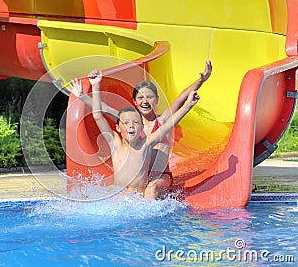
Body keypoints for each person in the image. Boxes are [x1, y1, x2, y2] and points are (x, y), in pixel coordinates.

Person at [70, 61, 212, 198]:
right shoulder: (132, 124)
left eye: (149, 97)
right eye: (140, 98)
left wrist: (201, 80)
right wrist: (82, 96)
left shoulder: (162, 121)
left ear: (156, 99)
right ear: (134, 101)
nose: (145, 101)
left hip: (159, 176)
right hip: (139, 177)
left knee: (151, 190)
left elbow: (180, 99)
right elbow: (102, 111)